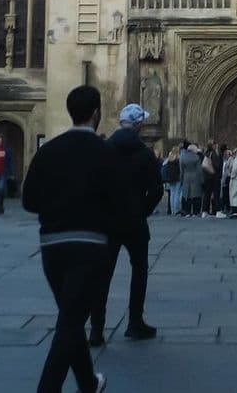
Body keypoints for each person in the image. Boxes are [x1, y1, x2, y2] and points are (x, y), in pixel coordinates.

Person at [23, 86, 123, 393]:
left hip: (52, 246)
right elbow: (119, 202)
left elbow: (28, 201)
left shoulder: (48, 150)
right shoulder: (105, 152)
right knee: (70, 322)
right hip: (89, 246)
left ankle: (88, 382)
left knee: (71, 315)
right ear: (96, 113)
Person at [88, 104, 162, 347]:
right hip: (134, 222)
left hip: (107, 222)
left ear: (121, 123)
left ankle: (97, 329)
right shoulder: (144, 152)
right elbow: (157, 189)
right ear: (139, 124)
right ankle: (135, 322)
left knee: (103, 275)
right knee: (139, 271)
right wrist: (142, 210)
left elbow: (94, 186)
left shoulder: (103, 149)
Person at [178, 141, 203, 217]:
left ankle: (187, 211)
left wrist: (181, 180)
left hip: (186, 177)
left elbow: (181, 170)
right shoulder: (197, 158)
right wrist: (202, 180)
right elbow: (199, 170)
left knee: (187, 195)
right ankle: (196, 211)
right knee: (196, 195)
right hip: (195, 177)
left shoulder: (183, 158)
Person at [163, 147, 181, 215]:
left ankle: (172, 210)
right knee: (177, 194)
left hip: (170, 178)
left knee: (172, 194)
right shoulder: (178, 159)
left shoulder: (169, 159)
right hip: (177, 178)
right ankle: (176, 209)